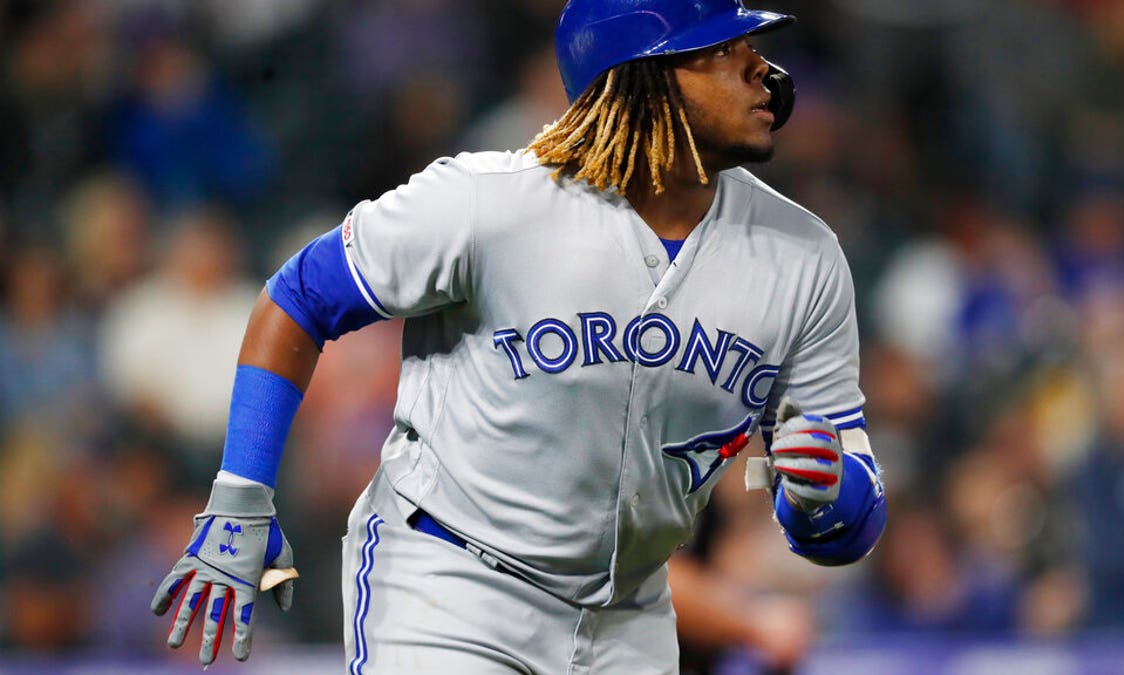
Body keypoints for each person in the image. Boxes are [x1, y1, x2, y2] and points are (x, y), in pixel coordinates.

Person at [149, 1, 888, 672]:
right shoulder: (491, 204)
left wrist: (820, 496)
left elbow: (850, 513)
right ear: (647, 78)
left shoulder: (804, 255)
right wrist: (241, 492)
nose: (767, 71)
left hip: (628, 614)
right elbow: (298, 297)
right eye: (728, 49)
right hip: (451, 589)